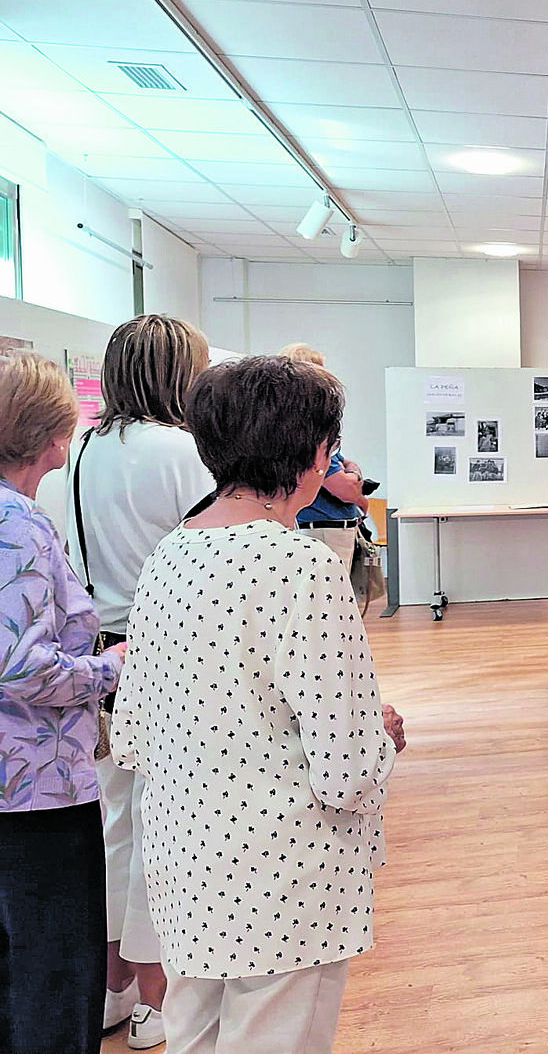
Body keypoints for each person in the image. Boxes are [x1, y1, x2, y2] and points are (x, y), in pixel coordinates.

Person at [112, 355, 405, 1054]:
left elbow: (138, 729)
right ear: (310, 452)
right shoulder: (303, 566)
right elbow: (346, 769)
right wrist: (379, 733)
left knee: (198, 1037)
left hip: (187, 862)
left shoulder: (170, 555)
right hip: (283, 878)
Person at [69, 314, 214, 1050]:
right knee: (163, 826)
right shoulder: (182, 451)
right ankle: (158, 995)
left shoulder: (81, 449)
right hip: (166, 656)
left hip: (97, 654)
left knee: (114, 824)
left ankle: (110, 987)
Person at [0, 350, 123, 1054]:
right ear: (49, 434)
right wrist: (107, 669)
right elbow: (19, 664)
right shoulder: (18, 522)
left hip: (20, 785)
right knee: (53, 972)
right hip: (36, 786)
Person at [282, 343, 368, 569]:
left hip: (315, 524)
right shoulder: (310, 434)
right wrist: (355, 471)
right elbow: (346, 489)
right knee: (330, 597)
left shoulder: (292, 429)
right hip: (323, 527)